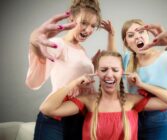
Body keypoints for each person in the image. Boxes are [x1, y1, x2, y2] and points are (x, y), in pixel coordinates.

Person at [40, 51, 167, 140]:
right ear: (97, 73)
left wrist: (141, 85)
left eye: (115, 70)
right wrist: (74, 82)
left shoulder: (131, 101)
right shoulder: (88, 101)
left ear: (122, 72)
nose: (109, 74)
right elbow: (47, 109)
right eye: (104, 69)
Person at [25, 0, 106, 139]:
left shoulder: (81, 49)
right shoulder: (58, 44)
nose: (88, 30)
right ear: (71, 19)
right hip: (55, 118)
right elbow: (41, 60)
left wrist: (92, 64)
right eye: (84, 23)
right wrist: (34, 44)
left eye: (93, 25)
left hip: (77, 117)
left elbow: (73, 74)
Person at [107, 19, 167, 139]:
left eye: (141, 32)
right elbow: (112, 59)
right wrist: (111, 36)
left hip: (160, 120)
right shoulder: (128, 59)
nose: (137, 37)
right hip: (134, 118)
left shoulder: (165, 56)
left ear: (148, 35)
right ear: (127, 43)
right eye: (131, 35)